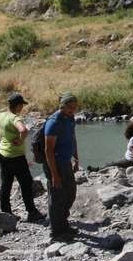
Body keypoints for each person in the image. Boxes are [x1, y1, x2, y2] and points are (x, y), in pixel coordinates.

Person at [0, 93, 45, 222]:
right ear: (18, 105)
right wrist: (20, 141)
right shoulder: (15, 118)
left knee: (6, 184)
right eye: (22, 106)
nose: (22, 108)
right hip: (16, 156)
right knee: (26, 184)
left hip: (3, 154)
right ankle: (32, 212)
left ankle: (6, 213)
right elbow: (24, 130)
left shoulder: (2, 115)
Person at [44, 93, 81, 241]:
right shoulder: (54, 122)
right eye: (69, 106)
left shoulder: (70, 118)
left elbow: (72, 137)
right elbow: (48, 151)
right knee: (57, 197)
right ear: (62, 106)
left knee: (70, 193)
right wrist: (54, 175)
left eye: (74, 107)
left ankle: (63, 224)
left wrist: (76, 157)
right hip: (55, 163)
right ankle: (56, 232)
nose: (72, 109)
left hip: (66, 162)